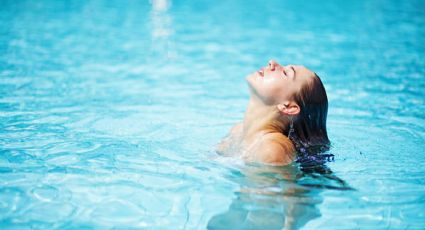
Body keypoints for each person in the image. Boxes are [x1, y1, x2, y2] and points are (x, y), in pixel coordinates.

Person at [216, 60, 330, 166]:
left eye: (286, 73)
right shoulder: (237, 130)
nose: (272, 62)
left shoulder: (273, 150)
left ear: (289, 107)